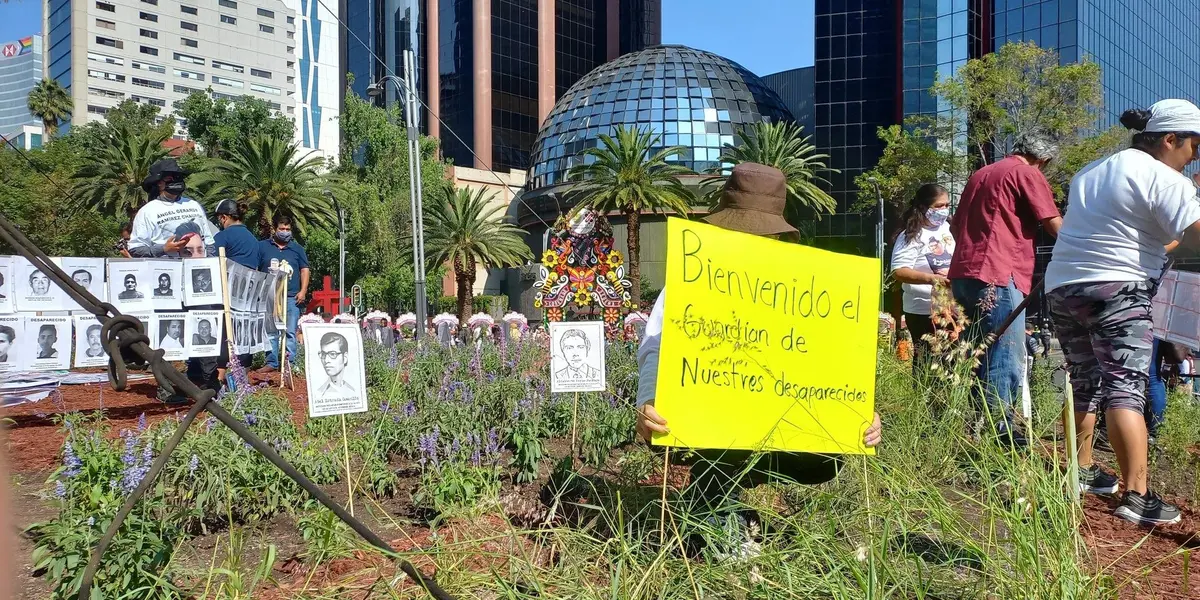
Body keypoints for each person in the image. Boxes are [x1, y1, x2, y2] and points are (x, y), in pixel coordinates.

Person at [636, 163, 882, 556]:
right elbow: (655, 342)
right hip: (710, 416)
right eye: (740, 231)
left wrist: (858, 412)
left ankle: (726, 487)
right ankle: (710, 502)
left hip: (781, 414)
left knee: (825, 459)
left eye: (759, 233)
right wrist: (647, 400)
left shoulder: (808, 285)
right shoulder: (695, 274)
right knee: (715, 443)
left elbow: (832, 359)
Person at [1044, 100, 1200, 526]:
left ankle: (1081, 470)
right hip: (1120, 289)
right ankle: (1138, 495)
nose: (1193, 158)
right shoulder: (1164, 178)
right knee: (1125, 386)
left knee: (1085, 380)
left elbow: (1132, 237)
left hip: (1063, 286)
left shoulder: (1092, 171)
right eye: (1194, 147)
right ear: (1171, 139)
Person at [948, 132, 1063, 447]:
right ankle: (1002, 432)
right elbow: (1053, 223)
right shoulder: (1026, 173)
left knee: (977, 351)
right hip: (998, 272)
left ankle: (980, 423)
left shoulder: (981, 174)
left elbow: (956, 225)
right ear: (1044, 159)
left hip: (963, 272)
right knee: (1005, 352)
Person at [129, 158, 219, 403]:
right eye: (170, 179)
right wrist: (163, 248)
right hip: (166, 283)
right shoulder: (147, 212)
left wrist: (206, 264)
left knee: (205, 326)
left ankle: (209, 382)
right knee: (170, 331)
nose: (177, 182)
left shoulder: (194, 205)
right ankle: (167, 385)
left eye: (180, 178)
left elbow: (209, 243)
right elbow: (136, 248)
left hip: (199, 281)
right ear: (159, 183)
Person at [889, 183, 953, 371]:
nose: (944, 210)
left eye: (947, 205)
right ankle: (926, 398)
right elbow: (899, 271)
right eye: (939, 206)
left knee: (948, 362)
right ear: (924, 207)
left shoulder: (947, 228)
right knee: (927, 362)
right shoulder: (911, 235)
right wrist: (932, 279)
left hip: (948, 306)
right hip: (922, 310)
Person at [256, 215, 310, 378]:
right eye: (282, 229)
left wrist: (303, 291)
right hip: (270, 296)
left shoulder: (297, 249)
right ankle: (271, 362)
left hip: (292, 297)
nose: (285, 232)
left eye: (288, 229)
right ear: (275, 229)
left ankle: (289, 363)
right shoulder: (262, 247)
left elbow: (304, 270)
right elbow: (256, 269)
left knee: (290, 332)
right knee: (271, 330)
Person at [317, 332, 357, 397]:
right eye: (323, 354)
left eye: (332, 354)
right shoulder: (319, 393)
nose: (326, 360)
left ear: (345, 357)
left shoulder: (354, 391)